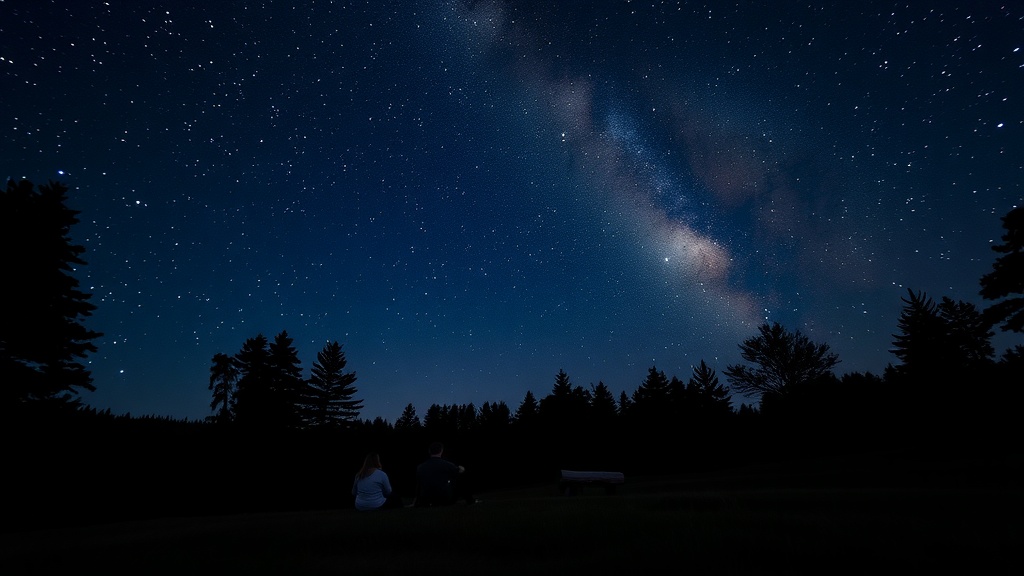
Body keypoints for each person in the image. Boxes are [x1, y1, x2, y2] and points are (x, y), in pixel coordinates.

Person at [413, 441, 478, 506]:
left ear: (429, 451)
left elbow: (418, 486)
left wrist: (416, 501)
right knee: (460, 480)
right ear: (441, 451)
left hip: (426, 499)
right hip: (444, 499)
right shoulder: (447, 464)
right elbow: (460, 470)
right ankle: (471, 501)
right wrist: (461, 468)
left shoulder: (420, 467)